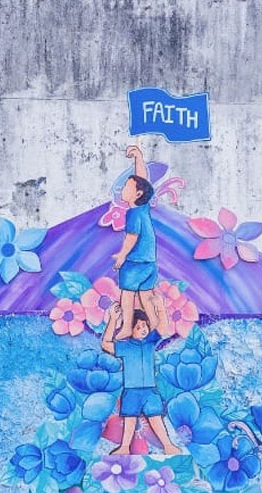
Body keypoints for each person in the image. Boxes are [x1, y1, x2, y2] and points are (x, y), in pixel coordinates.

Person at [101, 302, 180, 455]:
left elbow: (163, 326)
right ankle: (125, 447)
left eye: (144, 325)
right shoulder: (125, 347)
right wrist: (113, 319)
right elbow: (105, 344)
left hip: (150, 390)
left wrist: (160, 307)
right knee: (130, 419)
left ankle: (168, 445)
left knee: (156, 417)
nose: (143, 329)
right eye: (138, 327)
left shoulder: (150, 342)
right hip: (131, 391)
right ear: (129, 330)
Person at [112, 143, 159, 339]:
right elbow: (143, 180)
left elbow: (132, 237)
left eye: (126, 187)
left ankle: (125, 328)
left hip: (135, 262)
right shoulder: (143, 207)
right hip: (149, 262)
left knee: (127, 295)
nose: (122, 189)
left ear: (137, 194)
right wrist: (139, 159)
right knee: (146, 297)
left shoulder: (133, 214)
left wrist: (122, 256)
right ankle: (154, 325)